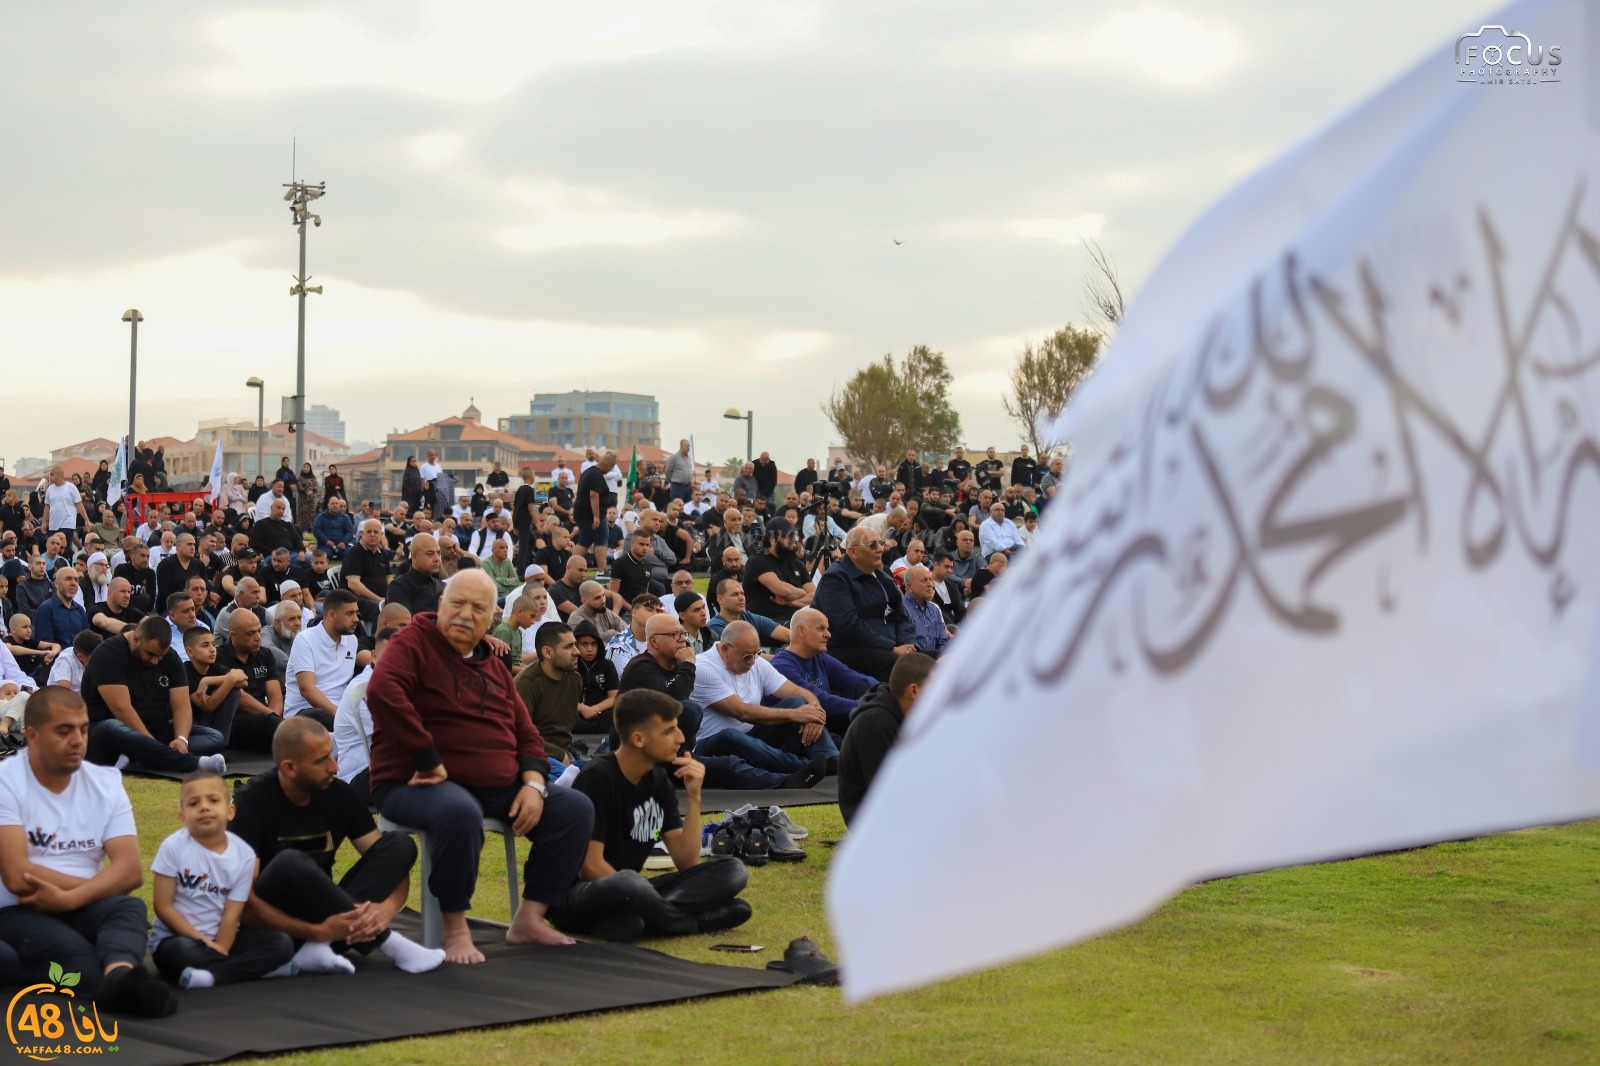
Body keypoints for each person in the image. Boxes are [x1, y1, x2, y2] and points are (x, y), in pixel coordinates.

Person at [367, 570, 595, 965]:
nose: (465, 615)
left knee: (575, 809)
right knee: (458, 811)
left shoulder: (492, 663)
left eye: (478, 608)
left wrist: (534, 784)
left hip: (497, 784)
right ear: (440, 605)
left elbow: (525, 731)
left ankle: (529, 918)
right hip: (413, 782)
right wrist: (428, 758)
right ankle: (455, 929)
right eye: (457, 604)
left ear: (492, 618)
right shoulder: (412, 643)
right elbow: (382, 692)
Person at [0, 688, 177, 1014]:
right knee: (78, 956)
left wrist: (71, 899)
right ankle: (113, 987)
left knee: (128, 910)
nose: (78, 740)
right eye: (64, 731)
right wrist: (95, 889)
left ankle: (120, 976)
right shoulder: (6, 783)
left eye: (83, 729)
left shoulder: (105, 783)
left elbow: (130, 872)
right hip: (18, 908)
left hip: (82, 904)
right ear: (33, 735)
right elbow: (17, 875)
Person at [230, 717, 445, 976]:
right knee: (290, 862)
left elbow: (387, 862)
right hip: (275, 929)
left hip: (331, 914)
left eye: (331, 755)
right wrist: (316, 932)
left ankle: (321, 948)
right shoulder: (251, 804)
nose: (335, 766)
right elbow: (245, 903)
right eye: (321, 761)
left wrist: (385, 911)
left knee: (399, 844)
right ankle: (388, 943)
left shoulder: (338, 793)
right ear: (289, 768)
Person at [550, 689, 750, 942]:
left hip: (632, 892)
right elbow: (590, 868)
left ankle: (650, 917)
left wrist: (694, 797)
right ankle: (682, 923)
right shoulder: (598, 777)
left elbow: (686, 863)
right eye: (668, 731)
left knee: (733, 869)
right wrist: (637, 892)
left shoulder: (657, 780)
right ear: (638, 739)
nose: (680, 738)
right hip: (580, 893)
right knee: (631, 885)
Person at [618, 615, 824, 791]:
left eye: (682, 634)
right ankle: (793, 775)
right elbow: (676, 701)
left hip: (678, 750)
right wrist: (689, 663)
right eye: (674, 635)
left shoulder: (679, 667)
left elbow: (798, 691)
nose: (682, 640)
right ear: (653, 642)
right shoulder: (642, 667)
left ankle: (827, 762)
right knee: (725, 755)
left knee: (796, 703)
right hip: (647, 754)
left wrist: (812, 709)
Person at [150, 770, 296, 989]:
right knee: (184, 953)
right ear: (182, 817)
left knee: (281, 943)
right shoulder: (173, 847)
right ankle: (259, 969)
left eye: (213, 800)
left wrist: (221, 948)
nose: (204, 807)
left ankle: (214, 975)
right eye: (193, 803)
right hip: (179, 939)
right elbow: (163, 907)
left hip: (223, 938)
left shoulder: (244, 854)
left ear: (230, 811)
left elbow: (232, 914)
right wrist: (205, 943)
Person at [83, 617, 227, 774]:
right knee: (111, 727)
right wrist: (150, 744)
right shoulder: (108, 654)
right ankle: (195, 763)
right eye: (150, 654)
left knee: (214, 737)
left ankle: (144, 756)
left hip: (159, 731)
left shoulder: (171, 657)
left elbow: (182, 707)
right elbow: (121, 709)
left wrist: (181, 739)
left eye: (160, 656)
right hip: (114, 732)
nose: (155, 661)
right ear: (136, 639)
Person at [691, 621, 836, 764]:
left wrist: (814, 712)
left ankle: (832, 758)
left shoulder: (757, 662)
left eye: (756, 653)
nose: (752, 661)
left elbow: (796, 691)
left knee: (797, 702)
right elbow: (742, 713)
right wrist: (796, 714)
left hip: (752, 734)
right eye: (747, 656)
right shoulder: (703, 668)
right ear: (724, 649)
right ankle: (803, 766)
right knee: (729, 736)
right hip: (712, 743)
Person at [838, 652, 933, 826]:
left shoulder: (904, 716)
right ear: (914, 691)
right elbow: (885, 792)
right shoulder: (876, 723)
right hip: (872, 823)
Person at [814, 526, 916, 682]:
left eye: (880, 543)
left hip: (888, 648)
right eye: (872, 545)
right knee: (904, 668)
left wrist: (908, 644)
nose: (880, 549)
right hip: (848, 651)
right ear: (853, 552)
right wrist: (892, 648)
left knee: (937, 660)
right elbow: (849, 626)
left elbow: (901, 616)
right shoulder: (835, 579)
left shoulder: (883, 577)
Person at [771, 608, 875, 733]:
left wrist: (884, 693)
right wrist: (870, 706)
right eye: (821, 629)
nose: (828, 634)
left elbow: (855, 679)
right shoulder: (782, 666)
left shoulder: (819, 656)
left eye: (827, 628)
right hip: (794, 735)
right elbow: (821, 700)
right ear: (801, 631)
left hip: (823, 722)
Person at [332, 626, 398, 805]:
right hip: (359, 775)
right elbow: (397, 739)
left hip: (386, 769)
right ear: (374, 657)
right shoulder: (363, 690)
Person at [285, 589, 361, 731]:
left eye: (356, 613)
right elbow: (306, 689)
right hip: (304, 711)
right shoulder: (305, 640)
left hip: (341, 709)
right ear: (331, 615)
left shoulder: (352, 640)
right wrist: (340, 716)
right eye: (350, 613)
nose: (356, 618)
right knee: (324, 716)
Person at [514, 623, 583, 767]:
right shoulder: (526, 684)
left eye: (575, 645)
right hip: (532, 756)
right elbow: (520, 734)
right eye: (568, 646)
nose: (577, 651)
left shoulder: (575, 679)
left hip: (565, 755)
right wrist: (557, 754)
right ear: (547, 652)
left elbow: (565, 728)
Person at [219, 610, 284, 752]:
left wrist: (275, 718)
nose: (258, 638)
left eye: (259, 631)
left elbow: (276, 695)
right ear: (234, 636)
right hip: (236, 720)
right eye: (250, 633)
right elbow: (241, 699)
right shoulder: (219, 658)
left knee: (312, 715)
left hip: (268, 717)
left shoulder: (265, 654)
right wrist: (273, 719)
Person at [742, 520, 812, 624]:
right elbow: (784, 591)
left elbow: (814, 596)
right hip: (765, 623)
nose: (793, 540)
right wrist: (802, 592)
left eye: (794, 536)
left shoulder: (796, 564)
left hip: (796, 619)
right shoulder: (757, 561)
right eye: (788, 536)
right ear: (772, 540)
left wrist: (789, 602)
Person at [706, 579, 791, 647]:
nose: (741, 598)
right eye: (735, 594)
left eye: (742, 594)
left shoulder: (749, 617)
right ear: (720, 599)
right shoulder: (715, 626)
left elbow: (788, 635)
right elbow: (747, 655)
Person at [572, 620, 618, 737]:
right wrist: (582, 708)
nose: (590, 649)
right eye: (585, 644)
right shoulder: (569, 666)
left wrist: (593, 709)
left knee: (619, 714)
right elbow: (561, 697)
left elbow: (614, 697)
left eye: (594, 644)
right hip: (575, 712)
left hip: (600, 713)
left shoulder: (607, 665)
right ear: (576, 645)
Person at [342, 520, 392, 627]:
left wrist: (392, 596)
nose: (372, 535)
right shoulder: (355, 552)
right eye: (369, 531)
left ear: (382, 535)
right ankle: (377, 641)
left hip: (381, 599)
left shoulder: (383, 553)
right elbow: (353, 584)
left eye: (376, 532)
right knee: (381, 611)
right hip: (355, 600)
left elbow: (389, 579)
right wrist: (379, 600)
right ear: (362, 534)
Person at [574, 453, 616, 576]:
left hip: (582, 513)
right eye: (611, 468)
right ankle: (603, 571)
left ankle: (569, 566)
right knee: (601, 539)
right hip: (591, 514)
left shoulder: (588, 472)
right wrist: (596, 516)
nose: (609, 470)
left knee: (584, 541)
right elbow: (594, 495)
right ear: (608, 465)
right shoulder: (596, 475)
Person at [384, 532, 445, 615]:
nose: (437, 559)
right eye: (430, 554)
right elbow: (403, 624)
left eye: (438, 553)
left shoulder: (443, 587)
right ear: (414, 557)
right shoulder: (399, 587)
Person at [901, 564, 952, 657]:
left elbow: (942, 642)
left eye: (930, 579)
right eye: (924, 580)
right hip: (914, 662)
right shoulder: (901, 608)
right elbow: (910, 647)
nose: (930, 584)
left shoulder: (934, 609)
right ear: (909, 587)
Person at [34, 566, 88, 648]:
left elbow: (85, 642)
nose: (73, 583)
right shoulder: (46, 609)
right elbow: (46, 645)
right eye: (68, 579)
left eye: (76, 580)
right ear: (56, 583)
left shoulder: (80, 610)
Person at [606, 593, 660, 673]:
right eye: (649, 610)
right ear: (634, 613)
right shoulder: (618, 647)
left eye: (658, 611)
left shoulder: (660, 641)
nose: (655, 614)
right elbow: (623, 683)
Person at [43, 467, 89, 553]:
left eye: (52, 475)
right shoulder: (50, 489)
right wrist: (44, 522)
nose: (50, 477)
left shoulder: (71, 487)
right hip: (53, 524)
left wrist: (86, 520)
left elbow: (79, 504)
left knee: (65, 548)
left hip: (68, 523)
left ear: (59, 475)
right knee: (53, 548)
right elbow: (47, 506)